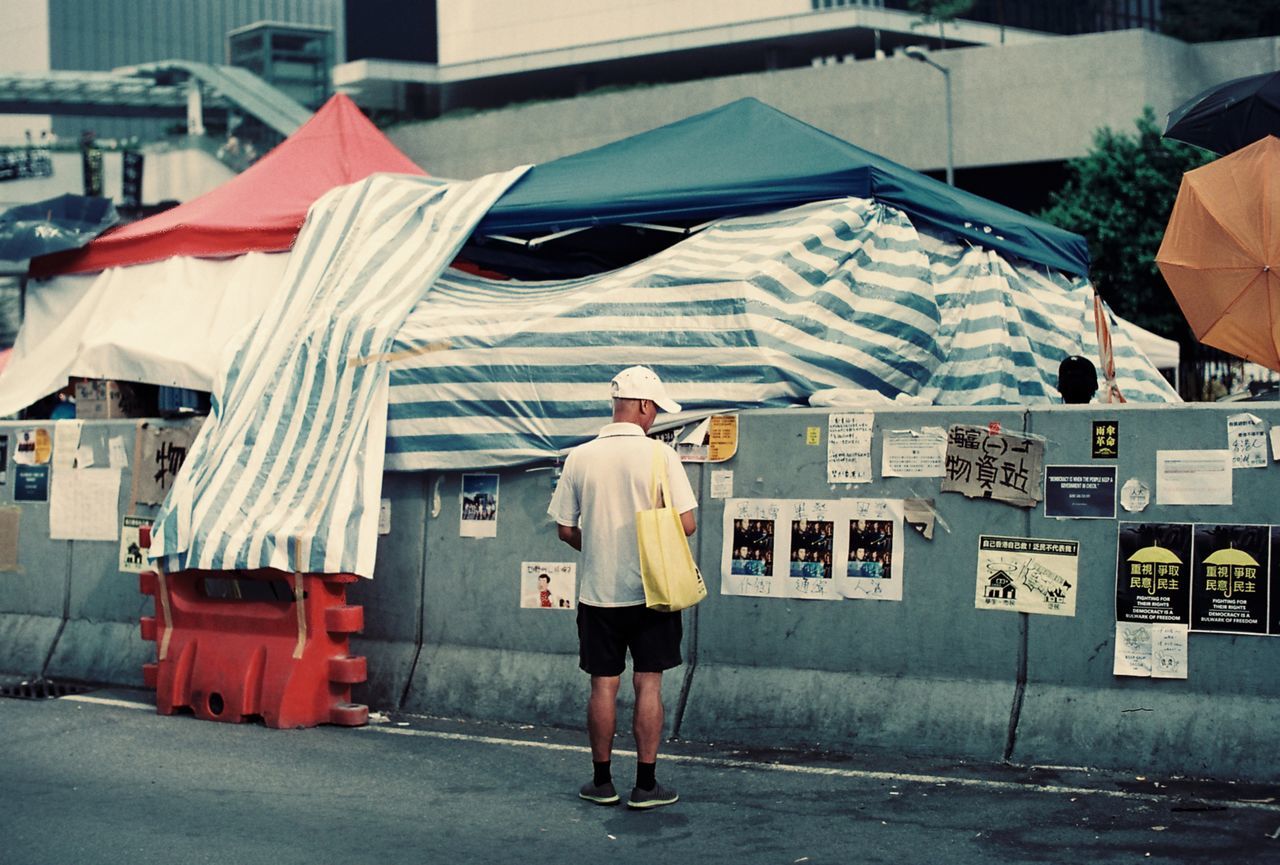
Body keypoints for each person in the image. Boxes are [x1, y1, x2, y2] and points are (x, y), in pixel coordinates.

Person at [549, 365, 697, 811]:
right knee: (648, 683)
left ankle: (601, 782)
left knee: (603, 685)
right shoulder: (660, 457)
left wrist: (597, 545)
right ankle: (646, 785)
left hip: (599, 591)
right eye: (655, 411)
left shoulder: (580, 457)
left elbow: (564, 529)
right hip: (654, 590)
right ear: (646, 407)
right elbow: (687, 523)